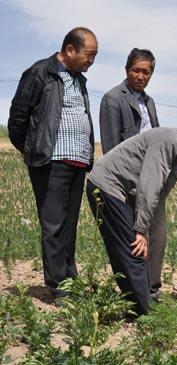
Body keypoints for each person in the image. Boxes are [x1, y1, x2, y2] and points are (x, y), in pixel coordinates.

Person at [86, 115, 177, 315]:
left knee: (153, 240)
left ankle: (145, 296)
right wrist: (141, 229)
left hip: (127, 191)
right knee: (133, 248)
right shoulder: (171, 142)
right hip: (108, 186)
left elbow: (156, 193)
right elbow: (150, 185)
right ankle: (143, 311)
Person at [7, 27, 98, 303]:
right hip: (51, 162)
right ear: (70, 49)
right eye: (89, 55)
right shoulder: (40, 73)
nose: (91, 61)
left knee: (69, 225)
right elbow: (18, 119)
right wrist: (32, 150)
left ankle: (71, 280)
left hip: (77, 162)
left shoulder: (79, 80)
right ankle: (59, 287)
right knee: (54, 224)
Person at [99, 48, 165, 299]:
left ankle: (153, 287)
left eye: (146, 72)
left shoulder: (150, 102)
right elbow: (111, 147)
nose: (141, 76)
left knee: (157, 234)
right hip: (126, 179)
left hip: (151, 179)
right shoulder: (113, 99)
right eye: (136, 70)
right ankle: (135, 292)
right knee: (134, 238)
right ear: (127, 70)